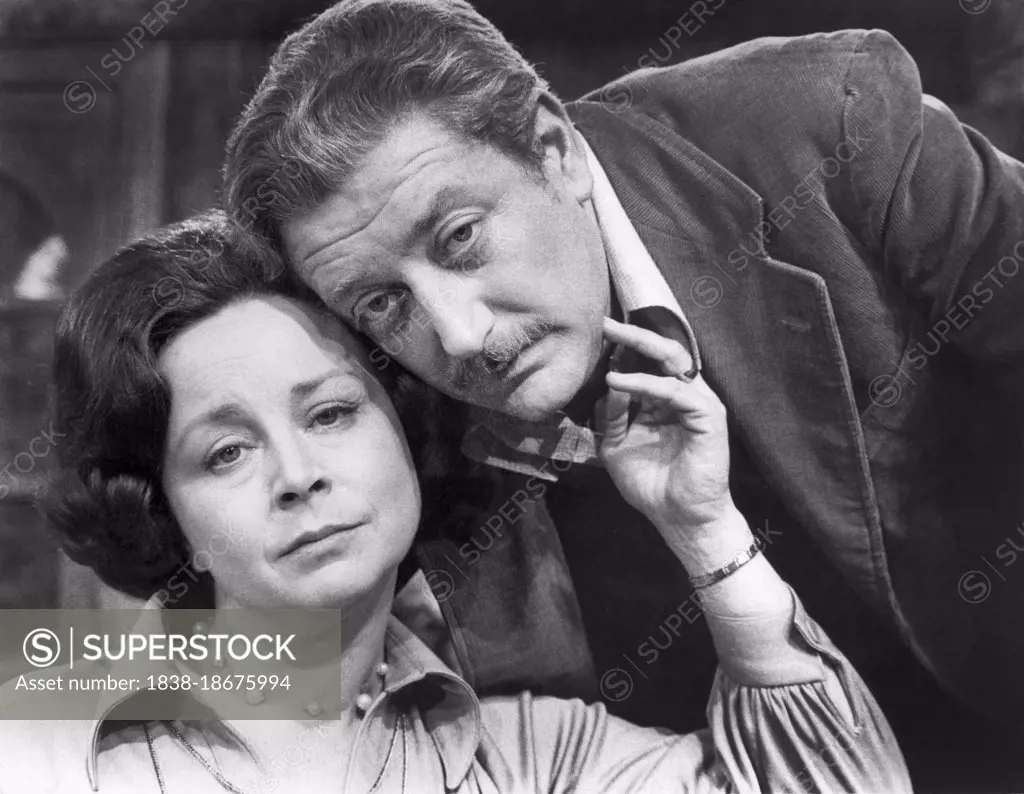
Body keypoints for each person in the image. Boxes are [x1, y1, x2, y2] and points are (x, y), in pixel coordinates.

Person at [221, 0, 1024, 788]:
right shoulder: (369, 393)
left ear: (554, 149)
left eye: (460, 238)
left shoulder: (822, 124)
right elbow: (186, 642)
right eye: (383, 304)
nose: (459, 337)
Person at [0, 213, 908, 793]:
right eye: (226, 451)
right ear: (161, 510)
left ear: (403, 426)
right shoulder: (36, 721)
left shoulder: (527, 759)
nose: (299, 473)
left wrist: (703, 527)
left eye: (331, 412)